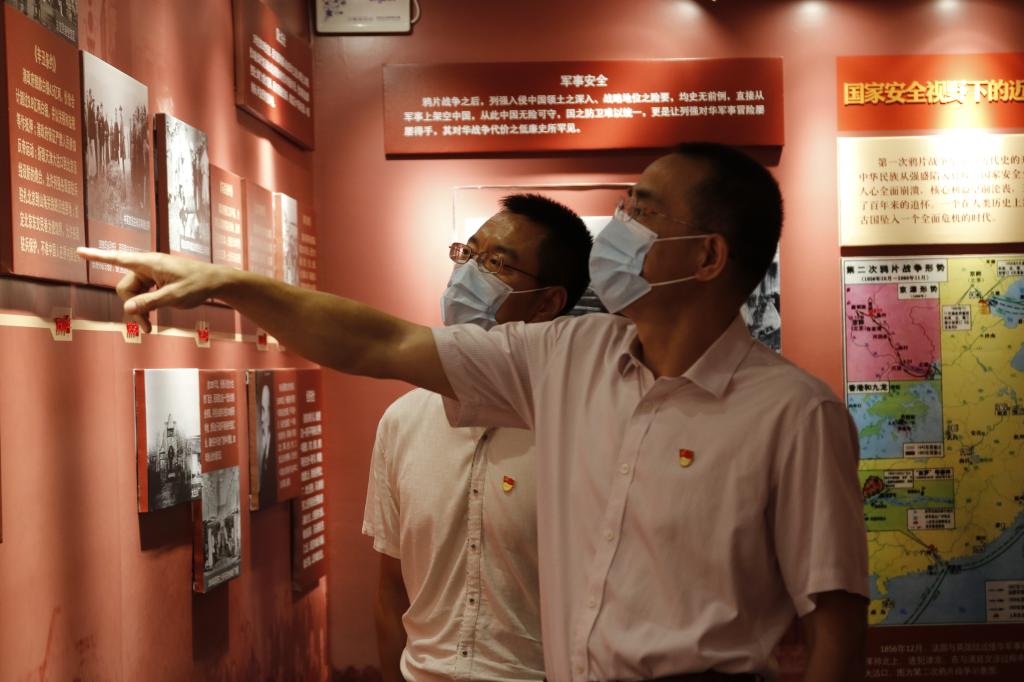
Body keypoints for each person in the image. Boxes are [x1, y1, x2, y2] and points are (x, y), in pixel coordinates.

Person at [80, 141, 869, 682]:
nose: (620, 225)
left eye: (644, 211)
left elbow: (835, 622)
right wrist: (231, 284)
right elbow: (385, 343)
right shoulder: (569, 356)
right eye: (624, 204)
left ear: (707, 255)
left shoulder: (794, 414)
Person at [364, 194, 592, 682]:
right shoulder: (403, 420)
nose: (467, 272)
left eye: (496, 264)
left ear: (548, 302)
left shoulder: (584, 424)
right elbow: (391, 590)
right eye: (468, 253)